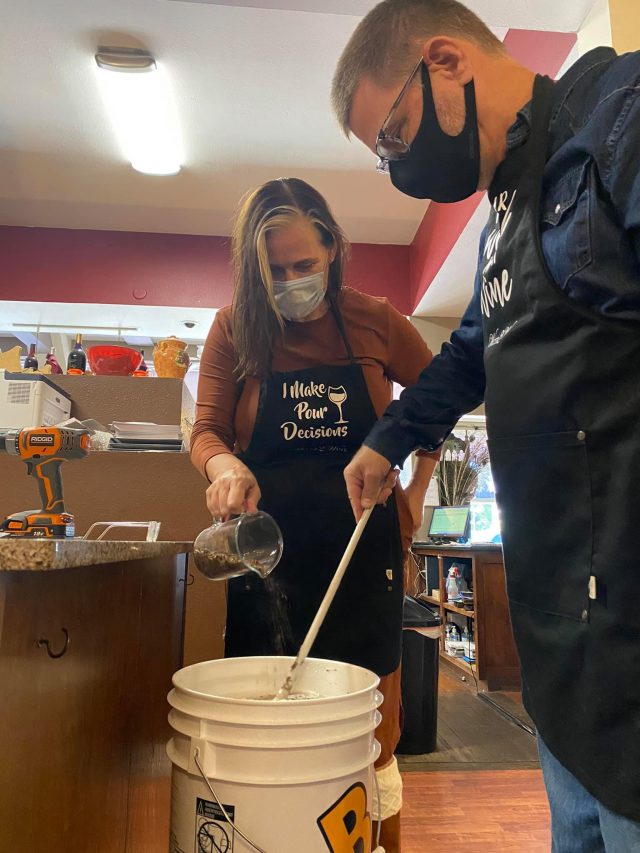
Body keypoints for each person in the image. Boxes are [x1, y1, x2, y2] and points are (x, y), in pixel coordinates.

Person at [333, 1, 640, 850]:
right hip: (560, 645)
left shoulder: (620, 115)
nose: (399, 168)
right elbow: (473, 349)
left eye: (393, 136)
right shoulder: (502, 214)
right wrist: (386, 440)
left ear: (446, 61)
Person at [190, 177, 439, 852]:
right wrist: (226, 467)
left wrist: (412, 496)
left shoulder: (375, 319)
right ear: (253, 270)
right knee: (269, 727)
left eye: (306, 265)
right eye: (275, 271)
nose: (293, 282)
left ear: (333, 249)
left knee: (373, 734)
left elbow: (436, 401)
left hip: (363, 556)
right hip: (265, 561)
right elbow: (206, 430)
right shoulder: (235, 327)